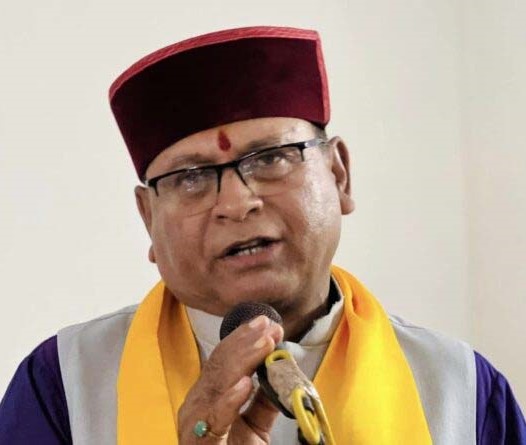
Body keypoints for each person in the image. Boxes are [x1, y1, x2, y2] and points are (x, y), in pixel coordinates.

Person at [0, 26, 524, 445]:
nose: (235, 202)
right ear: (148, 219)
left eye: (271, 158)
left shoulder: (458, 388)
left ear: (339, 175)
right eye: (189, 177)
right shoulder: (67, 384)